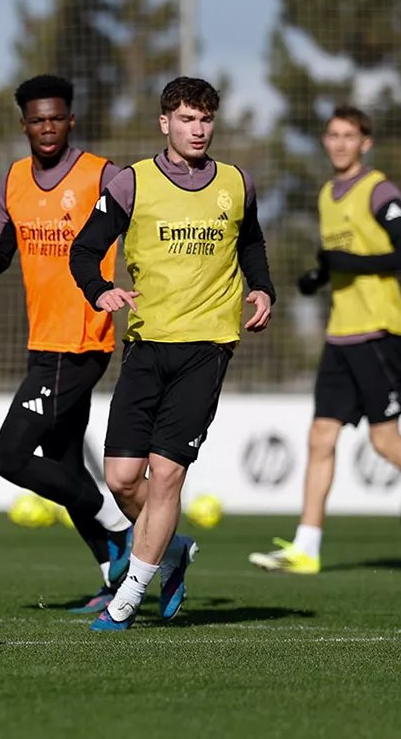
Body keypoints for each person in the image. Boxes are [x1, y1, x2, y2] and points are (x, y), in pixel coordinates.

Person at [0, 74, 133, 612]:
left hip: (82, 340)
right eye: (37, 120)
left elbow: (144, 224)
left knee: (10, 456)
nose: (47, 128)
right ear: (24, 125)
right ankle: (114, 579)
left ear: (71, 120)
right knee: (63, 462)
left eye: (56, 118)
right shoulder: (13, 180)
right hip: (44, 342)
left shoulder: (102, 176)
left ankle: (123, 527)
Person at [69, 76, 275, 630]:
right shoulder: (131, 184)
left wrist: (262, 287)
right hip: (145, 343)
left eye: (205, 120)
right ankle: (172, 549)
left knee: (166, 477)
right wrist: (99, 290)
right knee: (121, 479)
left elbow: (250, 241)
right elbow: (84, 250)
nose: (198, 129)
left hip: (207, 346)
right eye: (186, 119)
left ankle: (128, 600)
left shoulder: (236, 183)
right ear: (165, 123)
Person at [249, 105, 401, 577]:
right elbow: (344, 258)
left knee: (385, 441)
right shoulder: (325, 194)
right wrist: (321, 275)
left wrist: (346, 263)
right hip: (341, 333)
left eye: (349, 135)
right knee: (321, 437)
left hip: (378, 330)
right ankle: (307, 547)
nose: (339, 143)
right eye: (332, 134)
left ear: (365, 143)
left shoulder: (378, 190)